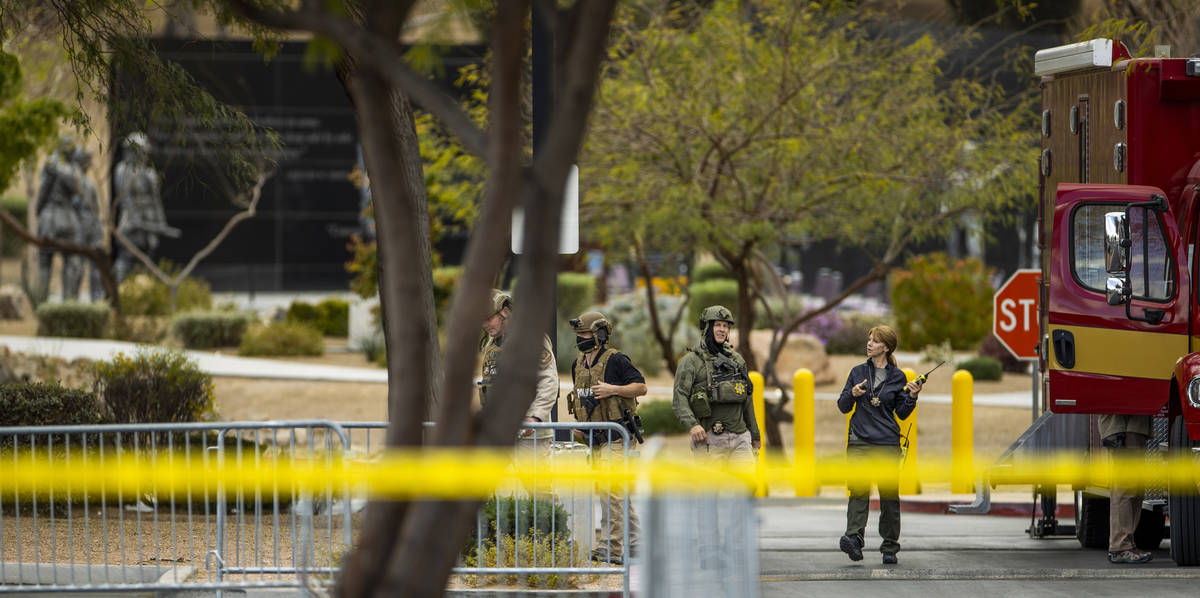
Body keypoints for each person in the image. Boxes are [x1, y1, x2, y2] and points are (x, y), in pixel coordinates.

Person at [672, 304, 760, 568]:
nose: (722, 330)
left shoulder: (737, 360)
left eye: (726, 326)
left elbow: (747, 400)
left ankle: (735, 546)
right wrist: (692, 425)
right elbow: (679, 399)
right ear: (707, 328)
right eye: (717, 325)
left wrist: (755, 436)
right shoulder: (691, 362)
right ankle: (709, 551)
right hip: (709, 440)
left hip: (740, 437)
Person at [836, 325, 922, 565]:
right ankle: (853, 538)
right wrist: (851, 394)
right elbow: (842, 406)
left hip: (887, 443)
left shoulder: (898, 377)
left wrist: (912, 397)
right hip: (859, 442)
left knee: (889, 496)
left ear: (886, 347)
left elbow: (902, 413)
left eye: (875, 341)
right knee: (858, 491)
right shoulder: (857, 372)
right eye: (869, 340)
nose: (870, 344)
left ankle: (890, 547)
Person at [567, 311, 647, 565]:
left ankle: (611, 548)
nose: (581, 338)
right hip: (595, 439)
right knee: (612, 490)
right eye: (579, 334)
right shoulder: (577, 364)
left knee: (611, 491)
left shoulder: (616, 360)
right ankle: (635, 541)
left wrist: (613, 389)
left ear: (600, 335)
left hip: (617, 435)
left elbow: (641, 387)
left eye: (585, 333)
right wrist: (580, 426)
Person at [478, 289, 558, 499]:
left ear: (504, 311)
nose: (486, 325)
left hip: (528, 433)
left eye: (489, 319)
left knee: (539, 490)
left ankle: (553, 532)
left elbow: (548, 381)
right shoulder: (491, 343)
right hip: (497, 430)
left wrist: (535, 416)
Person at [114, 132, 177, 282]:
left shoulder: (149, 174)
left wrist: (160, 222)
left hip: (148, 221)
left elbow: (155, 201)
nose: (143, 155)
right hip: (131, 221)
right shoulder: (123, 170)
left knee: (146, 259)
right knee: (126, 257)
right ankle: (116, 291)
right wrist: (135, 219)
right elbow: (124, 198)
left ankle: (142, 295)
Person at [1099, 413, 1154, 564]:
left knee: (1135, 489)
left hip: (1132, 427)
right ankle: (1120, 547)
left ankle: (1127, 545)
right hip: (1122, 428)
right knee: (1125, 487)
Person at [35, 136, 84, 300]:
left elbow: (43, 190)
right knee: (70, 263)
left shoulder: (51, 165)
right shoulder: (75, 170)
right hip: (69, 219)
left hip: (49, 218)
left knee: (44, 264)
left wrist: (38, 210)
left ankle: (41, 304)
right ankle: (68, 303)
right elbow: (79, 197)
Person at [66, 147, 105, 302]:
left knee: (96, 266)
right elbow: (73, 205)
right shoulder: (73, 181)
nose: (87, 165)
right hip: (79, 227)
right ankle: (72, 300)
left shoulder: (88, 183)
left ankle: (96, 299)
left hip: (93, 227)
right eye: (85, 162)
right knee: (77, 266)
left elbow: (95, 209)